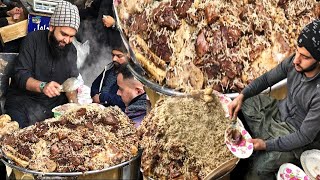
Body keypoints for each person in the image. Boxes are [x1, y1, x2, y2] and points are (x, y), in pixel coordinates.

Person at [228, 19, 320, 180]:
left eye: (304, 57)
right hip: (278, 112)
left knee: (261, 167)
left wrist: (266, 145)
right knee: (247, 103)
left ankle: (259, 161)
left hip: (297, 136)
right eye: (297, 51)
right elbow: (266, 80)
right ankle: (249, 149)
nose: (296, 60)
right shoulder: (295, 62)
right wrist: (242, 95)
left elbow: (304, 136)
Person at [4, 1, 80, 128]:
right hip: (23, 102)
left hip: (52, 107)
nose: (67, 40)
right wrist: (43, 86)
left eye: (71, 36)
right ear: (51, 26)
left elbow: (71, 82)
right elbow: (21, 75)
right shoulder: (32, 40)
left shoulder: (71, 50)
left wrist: (75, 106)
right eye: (64, 34)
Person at [90, 39, 127, 111]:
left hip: (119, 112)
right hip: (101, 108)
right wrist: (95, 95)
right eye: (113, 55)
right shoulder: (109, 69)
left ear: (129, 56)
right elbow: (95, 84)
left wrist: (102, 97)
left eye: (119, 56)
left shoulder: (133, 75)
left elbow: (127, 99)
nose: (114, 59)